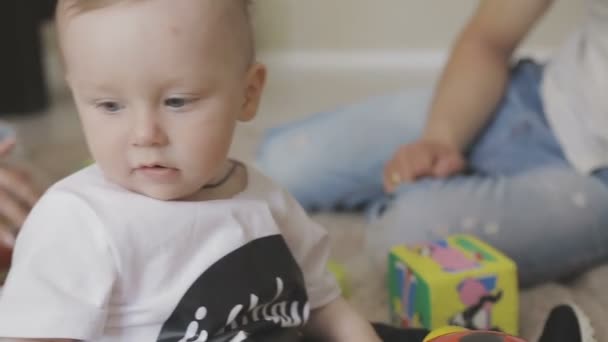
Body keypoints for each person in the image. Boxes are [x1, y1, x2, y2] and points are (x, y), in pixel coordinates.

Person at [0, 1, 385, 340]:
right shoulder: (77, 220)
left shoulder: (266, 199)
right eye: (109, 106)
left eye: (178, 101)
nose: (144, 134)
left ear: (248, 95)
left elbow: (323, 305)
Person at [256, 0, 608, 287]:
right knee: (282, 161)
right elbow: (489, 38)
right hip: (533, 97)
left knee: (407, 245)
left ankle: (440, 197)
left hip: (595, 181)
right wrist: (441, 138)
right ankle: (452, 182)